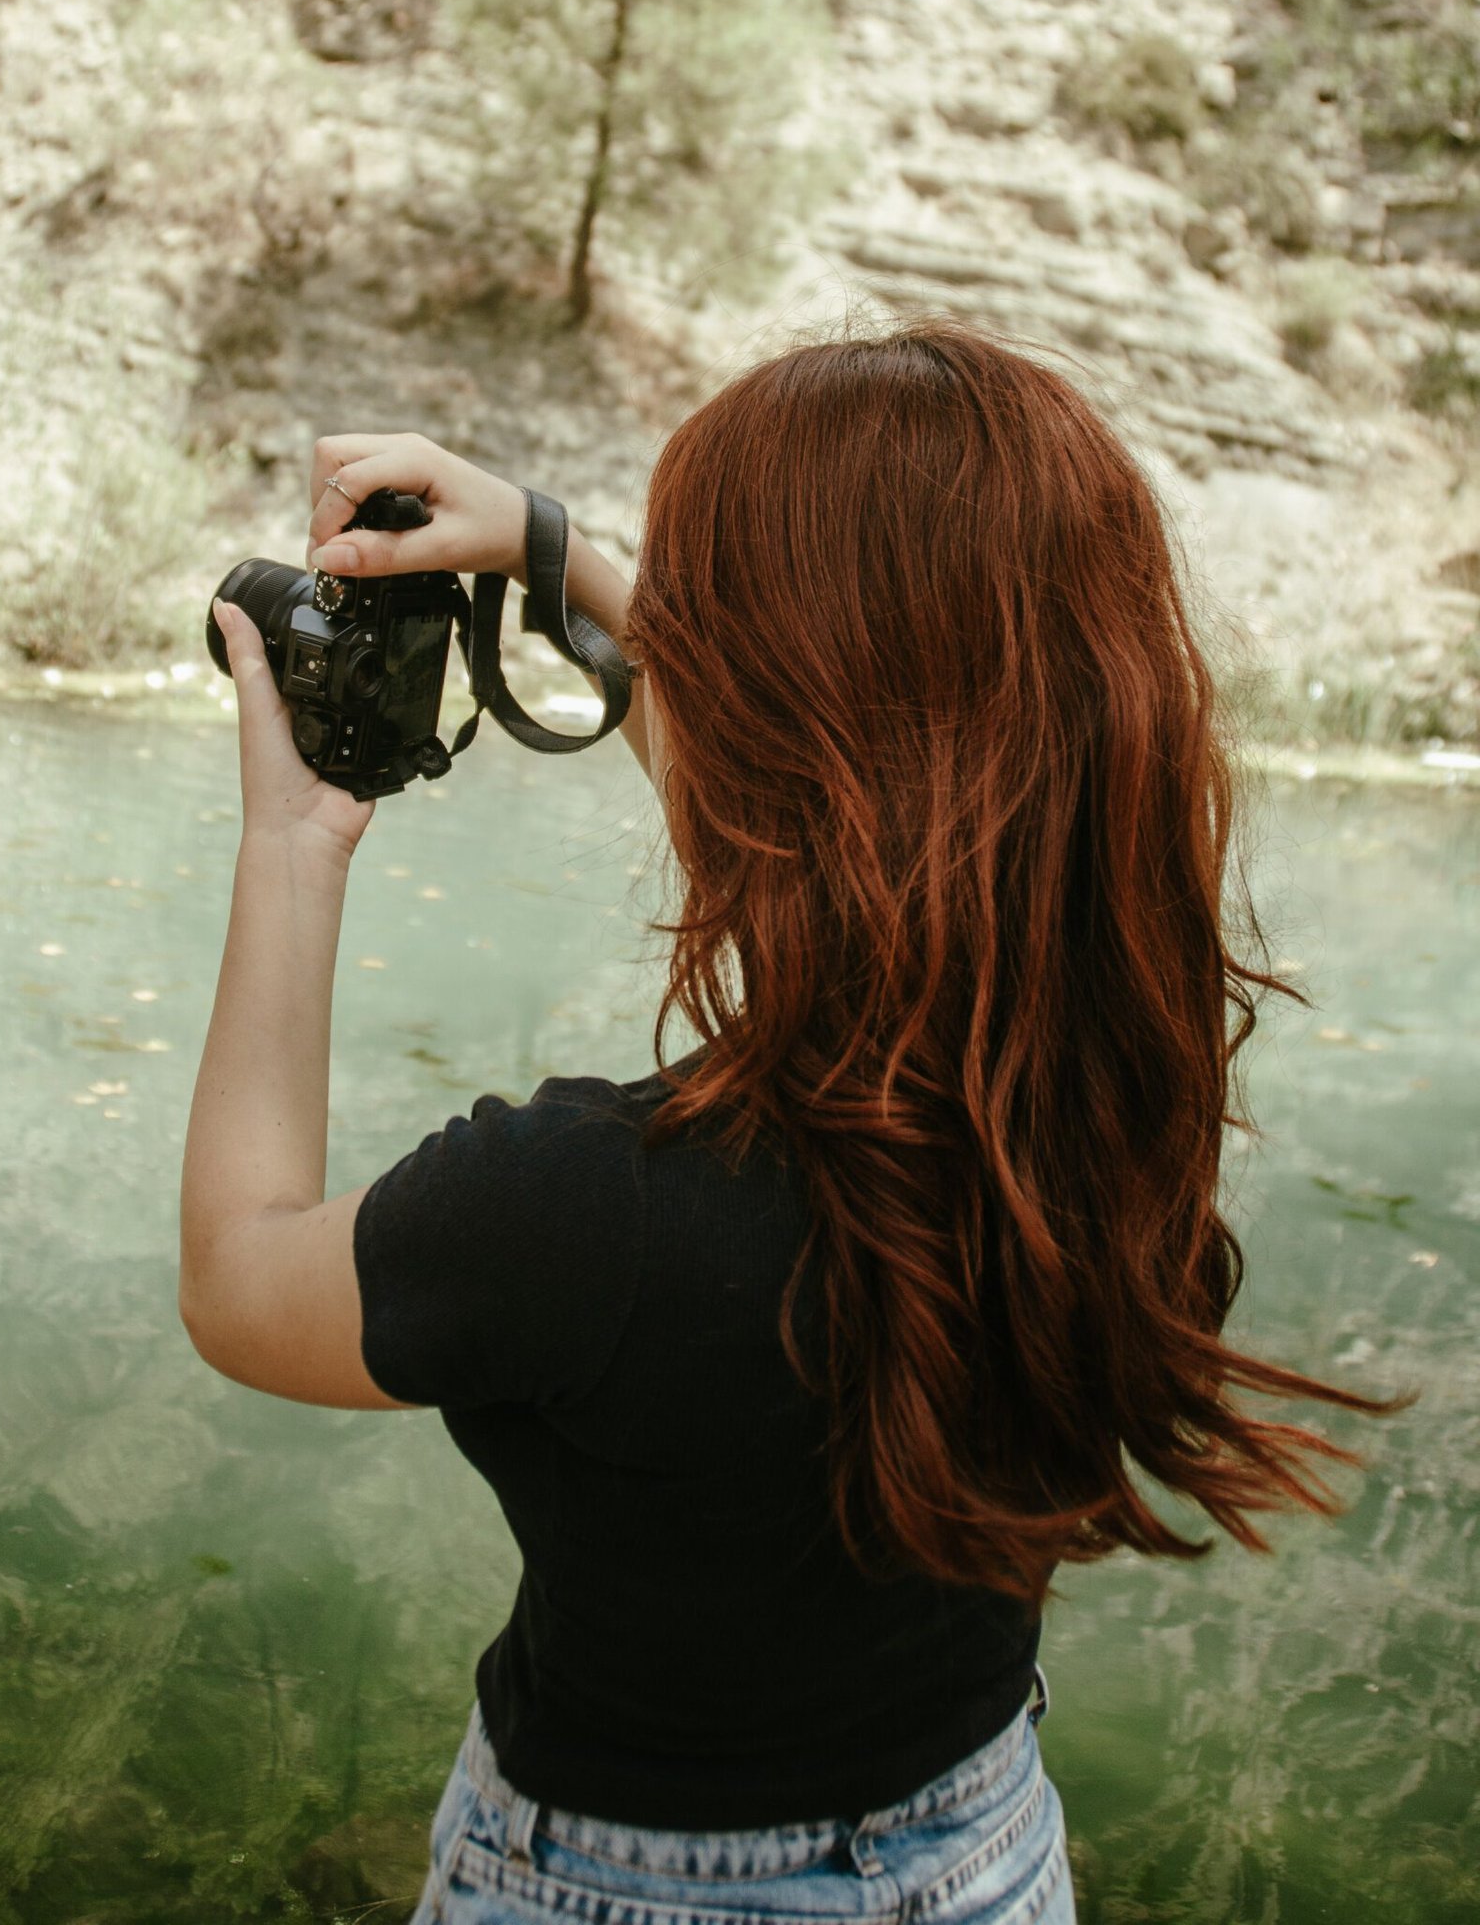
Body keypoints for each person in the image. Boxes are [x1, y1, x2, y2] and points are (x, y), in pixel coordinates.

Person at [179, 317, 1389, 1925]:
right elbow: (837, 766)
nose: (651, 665)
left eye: (686, 635)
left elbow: (237, 1280)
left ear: (763, 738)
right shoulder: (1105, 1104)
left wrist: (296, 842)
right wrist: (557, 551)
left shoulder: (586, 1208)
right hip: (984, 1850)